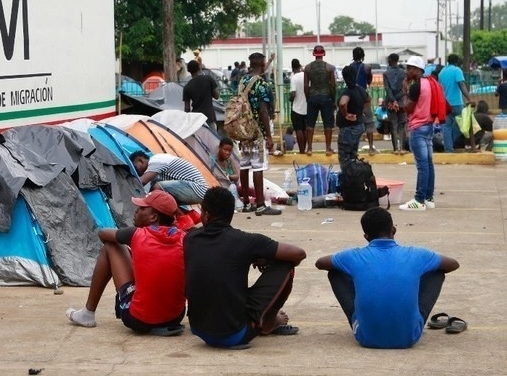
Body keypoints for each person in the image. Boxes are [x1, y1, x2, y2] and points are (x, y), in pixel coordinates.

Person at [315, 207, 460, 349]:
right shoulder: (417, 254)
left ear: (366, 236)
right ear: (394, 230)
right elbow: (453, 264)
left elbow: (320, 263)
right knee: (437, 272)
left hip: (366, 338)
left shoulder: (353, 256)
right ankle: (411, 319)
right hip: (409, 337)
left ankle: (362, 321)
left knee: (335, 272)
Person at [184, 186, 306, 348]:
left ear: (205, 214)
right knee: (285, 263)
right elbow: (298, 254)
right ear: (230, 215)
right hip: (234, 334)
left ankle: (260, 318)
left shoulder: (190, 239)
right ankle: (268, 322)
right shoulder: (245, 241)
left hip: (199, 329)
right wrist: (266, 259)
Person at [65, 191, 186, 334]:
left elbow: (103, 233)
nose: (136, 211)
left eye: (141, 208)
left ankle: (88, 313)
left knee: (111, 246)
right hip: (175, 318)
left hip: (139, 319)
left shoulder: (136, 234)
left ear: (153, 217)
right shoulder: (184, 238)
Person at [238, 52, 281, 216]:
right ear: (262, 64)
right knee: (258, 166)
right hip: (257, 131)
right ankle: (261, 204)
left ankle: (247, 204)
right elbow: (263, 110)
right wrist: (269, 136)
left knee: (244, 164)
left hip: (243, 130)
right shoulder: (262, 85)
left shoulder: (243, 81)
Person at [399, 56, 436, 210]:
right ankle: (428, 197)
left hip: (418, 127)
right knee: (428, 164)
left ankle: (419, 200)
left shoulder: (416, 86)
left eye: (410, 68)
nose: (407, 71)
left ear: (417, 70)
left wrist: (405, 91)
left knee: (422, 166)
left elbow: (408, 108)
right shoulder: (430, 83)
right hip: (428, 125)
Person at [130, 151, 207, 205]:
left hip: (198, 188)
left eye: (135, 167)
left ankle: (181, 218)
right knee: (158, 200)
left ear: (140, 160)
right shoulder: (156, 174)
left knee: (157, 189)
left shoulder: (156, 160)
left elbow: (141, 182)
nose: (136, 172)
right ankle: (186, 217)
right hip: (194, 190)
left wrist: (125, 186)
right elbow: (151, 196)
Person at [303, 45, 337, 156]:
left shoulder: (307, 68)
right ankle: (328, 148)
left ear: (314, 54)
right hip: (326, 96)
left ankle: (310, 148)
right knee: (328, 124)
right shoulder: (330, 68)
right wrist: (333, 99)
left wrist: (308, 98)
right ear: (324, 54)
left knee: (310, 123)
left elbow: (306, 86)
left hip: (313, 96)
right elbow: (332, 85)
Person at [438, 54, 475, 153]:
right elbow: (461, 84)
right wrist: (469, 98)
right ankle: (451, 142)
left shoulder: (442, 72)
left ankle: (448, 148)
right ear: (456, 62)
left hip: (445, 104)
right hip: (456, 103)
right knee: (463, 124)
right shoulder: (457, 70)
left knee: (446, 126)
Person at [336, 65, 370, 167]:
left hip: (348, 128)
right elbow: (368, 99)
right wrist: (363, 111)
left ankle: (347, 178)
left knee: (345, 156)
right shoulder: (361, 90)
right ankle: (354, 177)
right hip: (359, 125)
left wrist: (345, 114)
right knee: (353, 155)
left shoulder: (347, 92)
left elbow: (342, 103)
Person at [349, 47, 378, 155]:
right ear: (363, 55)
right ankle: (371, 148)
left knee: (353, 122)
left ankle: (353, 149)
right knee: (368, 122)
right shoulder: (367, 67)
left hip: (352, 97)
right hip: (364, 96)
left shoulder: (349, 67)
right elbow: (369, 80)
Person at [183, 59, 219, 130]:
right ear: (199, 68)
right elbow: (217, 96)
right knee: (213, 138)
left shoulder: (187, 87)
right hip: (209, 116)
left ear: (188, 70)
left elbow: (187, 108)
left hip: (196, 118)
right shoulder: (208, 79)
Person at [383, 53, 408, 154]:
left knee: (393, 125)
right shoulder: (404, 73)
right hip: (402, 102)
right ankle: (402, 148)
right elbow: (404, 89)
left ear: (390, 60)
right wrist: (398, 99)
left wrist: (393, 101)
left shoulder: (386, 74)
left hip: (391, 102)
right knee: (402, 125)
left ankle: (395, 148)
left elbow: (387, 89)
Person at [289, 58, 308, 153]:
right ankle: (305, 148)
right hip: (306, 107)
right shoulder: (305, 75)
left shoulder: (294, 78)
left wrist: (290, 99)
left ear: (292, 67)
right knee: (305, 129)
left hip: (296, 108)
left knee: (298, 129)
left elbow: (293, 94)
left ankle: (301, 150)